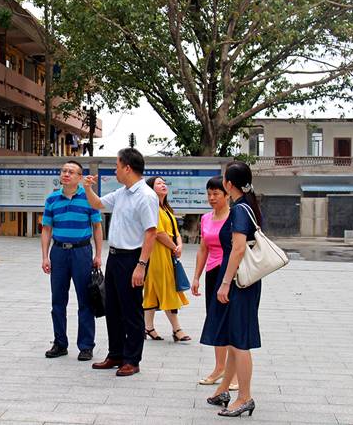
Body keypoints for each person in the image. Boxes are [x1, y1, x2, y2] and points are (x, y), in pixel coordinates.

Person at [82, 148, 158, 376]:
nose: (115, 170)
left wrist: (141, 265)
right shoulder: (123, 193)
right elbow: (97, 204)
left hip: (132, 258)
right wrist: (87, 188)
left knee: (131, 310)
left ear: (127, 168)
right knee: (113, 308)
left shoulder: (146, 196)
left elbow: (151, 232)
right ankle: (115, 354)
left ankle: (132, 359)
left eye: (117, 166)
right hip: (115, 257)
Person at [200, 162, 262, 417]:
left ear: (229, 184)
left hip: (238, 282)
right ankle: (224, 389)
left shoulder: (239, 210)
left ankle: (244, 397)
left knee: (239, 341)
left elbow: (238, 249)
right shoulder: (248, 206)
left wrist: (225, 282)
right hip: (242, 281)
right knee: (233, 336)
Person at [41, 161, 103, 361]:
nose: (66, 174)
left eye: (71, 172)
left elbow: (97, 227)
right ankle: (60, 343)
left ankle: (86, 346)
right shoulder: (52, 199)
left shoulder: (89, 198)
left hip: (82, 252)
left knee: (85, 300)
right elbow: (46, 229)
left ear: (79, 177)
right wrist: (45, 256)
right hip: (58, 252)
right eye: (64, 171)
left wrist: (98, 255)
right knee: (58, 300)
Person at [191, 176, 238, 390]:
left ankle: (234, 374)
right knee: (216, 321)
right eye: (209, 193)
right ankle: (219, 368)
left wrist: (228, 279)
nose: (211, 198)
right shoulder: (205, 218)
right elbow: (203, 249)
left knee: (231, 323)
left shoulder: (234, 218)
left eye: (216, 194)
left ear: (227, 195)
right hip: (212, 273)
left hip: (229, 274)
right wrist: (196, 277)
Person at [142, 177, 191, 343]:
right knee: (168, 289)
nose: (163, 185)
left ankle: (147, 327)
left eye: (164, 183)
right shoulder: (152, 207)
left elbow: (175, 231)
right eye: (158, 183)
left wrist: (179, 245)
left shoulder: (167, 208)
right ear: (151, 189)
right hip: (157, 254)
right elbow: (158, 233)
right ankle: (177, 329)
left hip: (168, 253)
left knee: (152, 290)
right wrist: (174, 247)